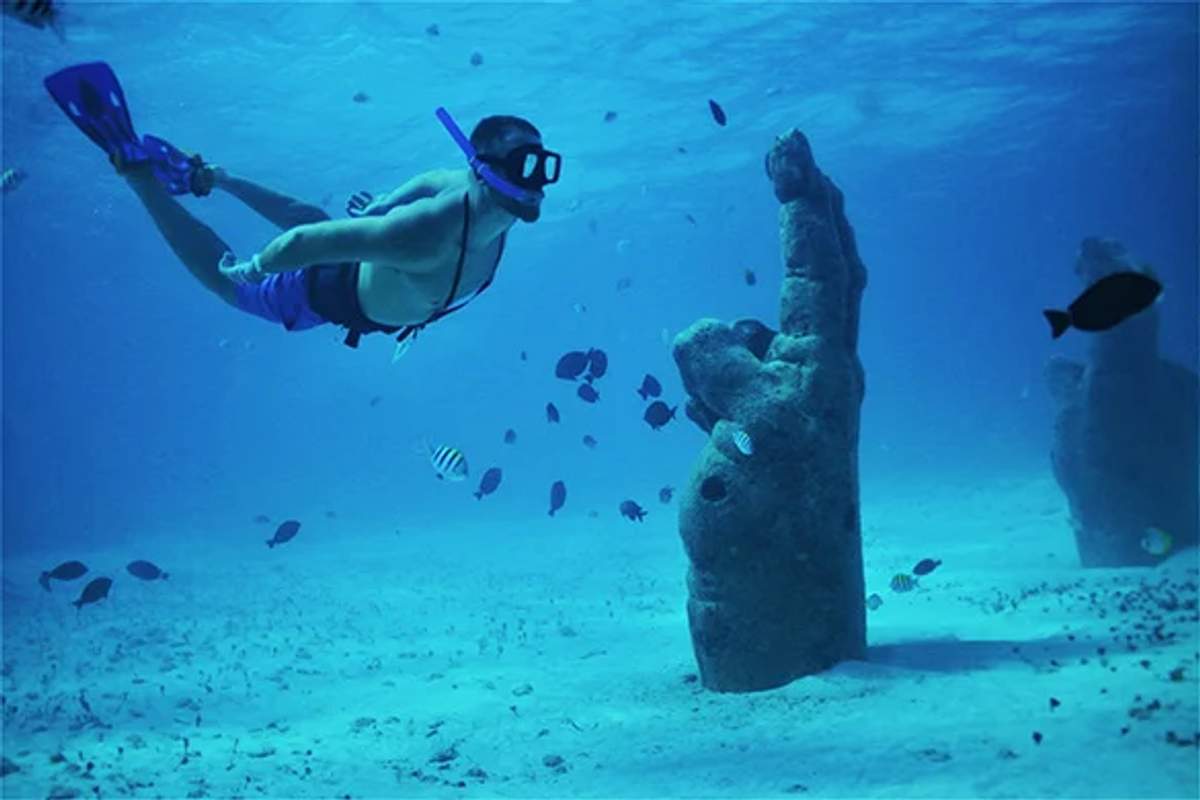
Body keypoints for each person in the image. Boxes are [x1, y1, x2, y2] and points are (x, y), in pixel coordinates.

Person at [43, 61, 562, 352]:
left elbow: (433, 176)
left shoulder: (491, 201)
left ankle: (218, 178)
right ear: (483, 170)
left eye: (542, 165)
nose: (537, 183)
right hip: (319, 296)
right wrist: (252, 268)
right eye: (524, 165)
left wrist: (384, 203)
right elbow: (302, 244)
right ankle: (139, 180)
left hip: (365, 269)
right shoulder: (426, 233)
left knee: (318, 218)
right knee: (229, 283)